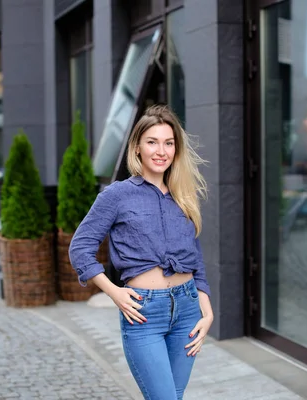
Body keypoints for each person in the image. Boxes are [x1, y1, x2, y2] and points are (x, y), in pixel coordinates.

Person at [69, 104, 213, 399]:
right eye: (152, 142)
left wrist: (207, 310)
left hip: (187, 311)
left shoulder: (183, 195)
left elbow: (194, 255)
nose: (161, 151)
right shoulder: (117, 195)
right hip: (144, 314)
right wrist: (114, 292)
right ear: (137, 148)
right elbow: (80, 247)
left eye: (168, 143)